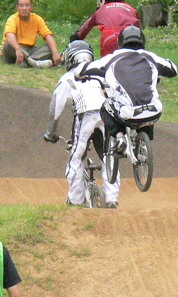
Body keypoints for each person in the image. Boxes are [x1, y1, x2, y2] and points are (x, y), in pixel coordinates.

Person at [75, 25, 177, 154]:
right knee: (149, 101)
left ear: (120, 42)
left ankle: (119, 136)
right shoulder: (150, 57)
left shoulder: (111, 59)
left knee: (106, 107)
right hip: (155, 112)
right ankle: (143, 145)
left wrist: (79, 75)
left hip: (128, 114)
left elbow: (81, 70)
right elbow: (173, 69)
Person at [43, 40, 121, 208]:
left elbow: (56, 105)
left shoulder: (67, 77)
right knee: (110, 156)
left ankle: (75, 198)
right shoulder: (100, 73)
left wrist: (51, 131)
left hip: (85, 114)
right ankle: (112, 198)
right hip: (107, 114)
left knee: (77, 156)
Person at [69, 0, 141, 58]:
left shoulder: (100, 11)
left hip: (110, 36)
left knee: (107, 64)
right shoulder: (131, 8)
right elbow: (138, 30)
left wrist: (73, 41)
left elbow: (80, 33)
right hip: (130, 35)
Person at [1, 0, 61, 68]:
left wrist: (55, 53)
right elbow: (9, 35)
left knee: (50, 46)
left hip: (30, 50)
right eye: (21, 6)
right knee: (8, 43)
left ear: (31, 7)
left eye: (27, 5)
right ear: (17, 8)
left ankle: (28, 62)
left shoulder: (37, 18)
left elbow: (48, 35)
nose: (24, 8)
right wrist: (17, 49)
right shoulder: (12, 19)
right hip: (15, 50)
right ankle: (32, 62)